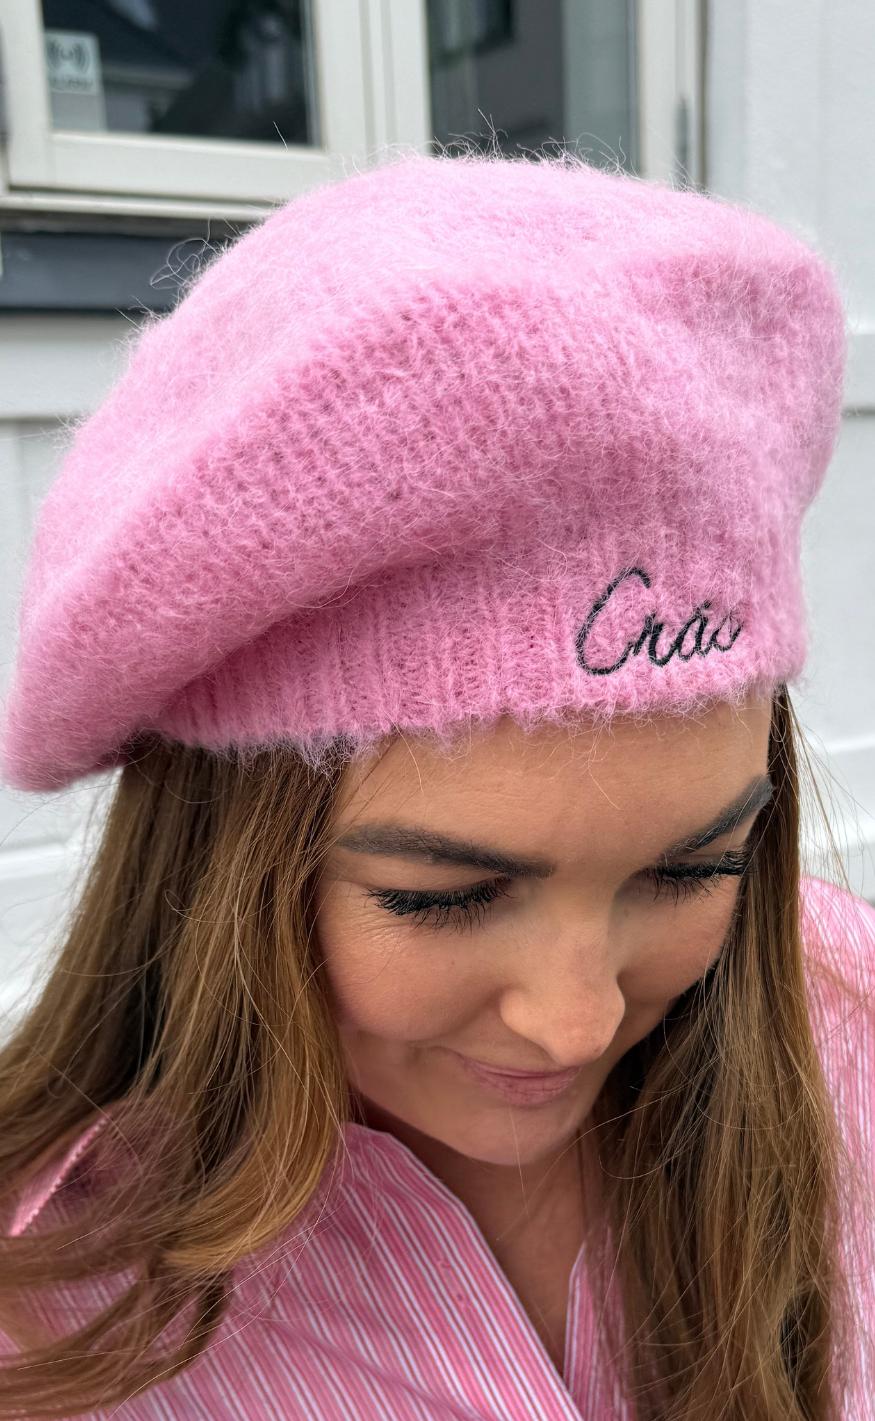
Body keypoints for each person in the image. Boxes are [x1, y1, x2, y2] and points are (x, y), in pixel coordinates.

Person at [0, 144, 871, 1421]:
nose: (574, 1022)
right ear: (221, 857)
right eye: (443, 895)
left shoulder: (852, 1035)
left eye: (692, 868)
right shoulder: (50, 1311)